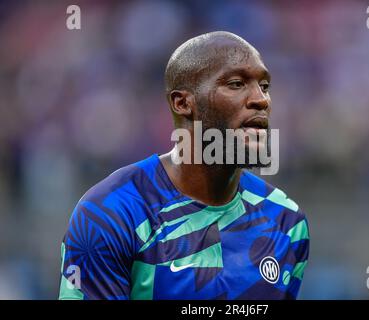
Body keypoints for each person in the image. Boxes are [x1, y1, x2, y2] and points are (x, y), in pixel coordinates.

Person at [58, 31, 309, 300]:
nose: (261, 99)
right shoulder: (112, 214)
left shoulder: (286, 223)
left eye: (265, 86)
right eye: (236, 84)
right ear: (182, 103)